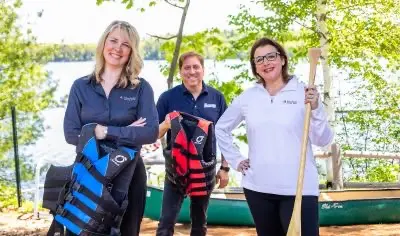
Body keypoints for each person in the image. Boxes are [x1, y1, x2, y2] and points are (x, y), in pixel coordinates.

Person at [215, 37, 334, 236]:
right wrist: (236, 161)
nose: (266, 63)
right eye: (259, 60)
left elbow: (323, 140)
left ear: (283, 59)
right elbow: (221, 128)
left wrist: (316, 108)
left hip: (298, 189)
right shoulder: (249, 97)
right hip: (258, 188)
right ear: (254, 67)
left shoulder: (303, 92)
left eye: (271, 56)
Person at [62, 20, 159, 235]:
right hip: (89, 171)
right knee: (81, 230)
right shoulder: (81, 86)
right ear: (103, 43)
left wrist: (104, 131)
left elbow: (150, 132)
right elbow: (71, 134)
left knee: (126, 231)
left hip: (130, 173)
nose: (117, 48)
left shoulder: (141, 88)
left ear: (132, 51)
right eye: (113, 40)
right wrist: (127, 132)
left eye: (126, 44)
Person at [155, 51, 230, 236]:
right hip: (175, 171)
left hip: (204, 171)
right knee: (165, 224)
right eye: (186, 67)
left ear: (203, 70)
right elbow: (153, 134)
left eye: (196, 67)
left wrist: (225, 168)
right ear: (181, 71)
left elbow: (225, 136)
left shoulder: (217, 98)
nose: (192, 71)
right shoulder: (167, 98)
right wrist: (165, 124)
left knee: (199, 225)